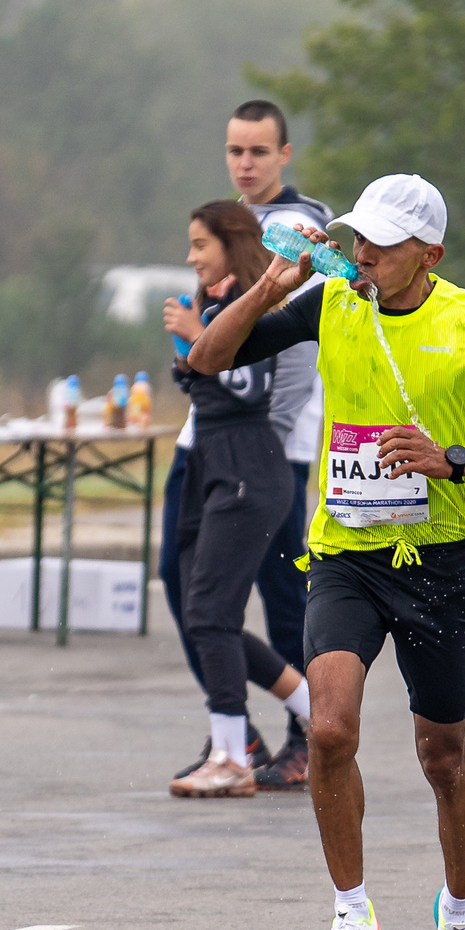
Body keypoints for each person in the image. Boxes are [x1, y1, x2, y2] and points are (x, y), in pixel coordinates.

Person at [188, 174, 465, 930]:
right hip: (345, 555)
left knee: (442, 758)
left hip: (436, 564)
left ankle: (460, 922)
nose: (363, 254)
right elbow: (207, 358)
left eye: (383, 245)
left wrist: (456, 458)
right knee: (329, 727)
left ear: (429, 255)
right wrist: (267, 286)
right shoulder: (334, 303)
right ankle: (352, 916)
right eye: (358, 238)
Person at [156, 100, 332, 786]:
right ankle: (235, 730)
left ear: (284, 153)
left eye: (259, 151)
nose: (246, 164)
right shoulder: (225, 224)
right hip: (205, 436)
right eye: (235, 151)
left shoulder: (297, 226)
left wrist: (270, 442)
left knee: (281, 597)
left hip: (268, 446)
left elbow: (284, 356)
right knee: (188, 586)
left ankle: (308, 732)